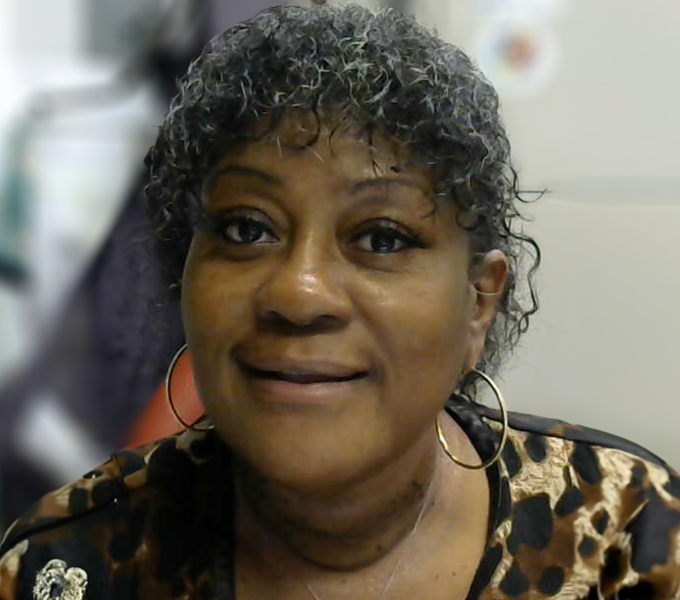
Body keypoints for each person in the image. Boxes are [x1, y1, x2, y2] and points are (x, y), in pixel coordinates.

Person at [2, 4, 680, 599]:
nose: (299, 292)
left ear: (479, 302)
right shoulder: (68, 572)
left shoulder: (629, 540)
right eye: (247, 228)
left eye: (382, 238)